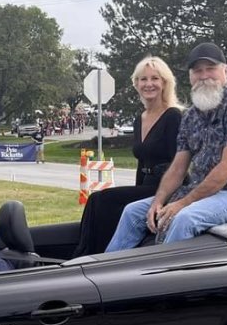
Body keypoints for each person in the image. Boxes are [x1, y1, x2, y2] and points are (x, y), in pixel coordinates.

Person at [106, 42, 227, 250]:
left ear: (225, 71)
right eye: (197, 70)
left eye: (211, 69)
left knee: (185, 218)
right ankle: (110, 276)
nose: (204, 75)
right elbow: (178, 167)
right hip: (199, 192)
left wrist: (183, 203)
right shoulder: (190, 115)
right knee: (133, 212)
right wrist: (159, 200)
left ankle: (162, 278)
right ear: (190, 76)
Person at [74, 55, 183, 256]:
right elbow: (142, 162)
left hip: (166, 188)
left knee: (102, 201)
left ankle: (97, 259)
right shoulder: (139, 119)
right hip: (145, 185)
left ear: (165, 83)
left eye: (154, 78)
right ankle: (84, 254)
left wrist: (159, 197)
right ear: (136, 84)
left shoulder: (173, 116)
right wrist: (134, 191)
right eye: (143, 79)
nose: (148, 84)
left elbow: (179, 165)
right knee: (95, 200)